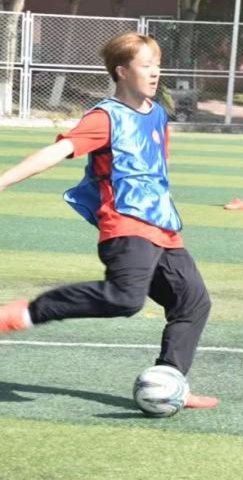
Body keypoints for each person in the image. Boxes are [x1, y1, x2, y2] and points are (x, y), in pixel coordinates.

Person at [0, 33, 218, 411]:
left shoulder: (157, 113)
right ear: (122, 71)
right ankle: (24, 313)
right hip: (126, 224)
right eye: (146, 65)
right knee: (125, 298)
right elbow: (58, 150)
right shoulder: (105, 117)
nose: (155, 72)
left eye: (157, 64)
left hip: (164, 226)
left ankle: (170, 380)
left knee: (192, 302)